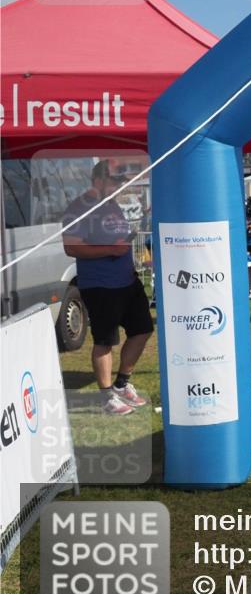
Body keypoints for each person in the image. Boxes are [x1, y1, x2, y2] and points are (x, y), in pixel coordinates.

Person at [61, 160, 151, 416]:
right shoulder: (78, 208)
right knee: (104, 340)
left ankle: (121, 384)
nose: (119, 187)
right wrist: (110, 250)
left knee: (143, 329)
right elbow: (71, 247)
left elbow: (119, 239)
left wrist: (136, 256)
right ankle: (107, 396)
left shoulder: (111, 205)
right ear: (98, 180)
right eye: (115, 182)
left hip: (127, 281)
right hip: (100, 285)